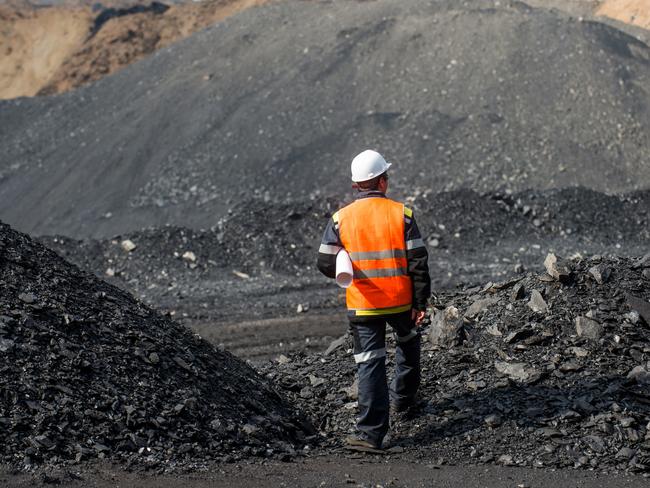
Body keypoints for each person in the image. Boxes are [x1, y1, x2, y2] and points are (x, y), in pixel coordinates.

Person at [316, 149, 431, 451]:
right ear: (382, 182)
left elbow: (325, 263)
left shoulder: (340, 219)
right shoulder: (401, 214)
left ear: (357, 185)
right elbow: (418, 262)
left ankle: (370, 434)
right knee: (408, 343)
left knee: (370, 363)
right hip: (400, 302)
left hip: (363, 305)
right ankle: (404, 401)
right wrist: (420, 303)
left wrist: (344, 259)